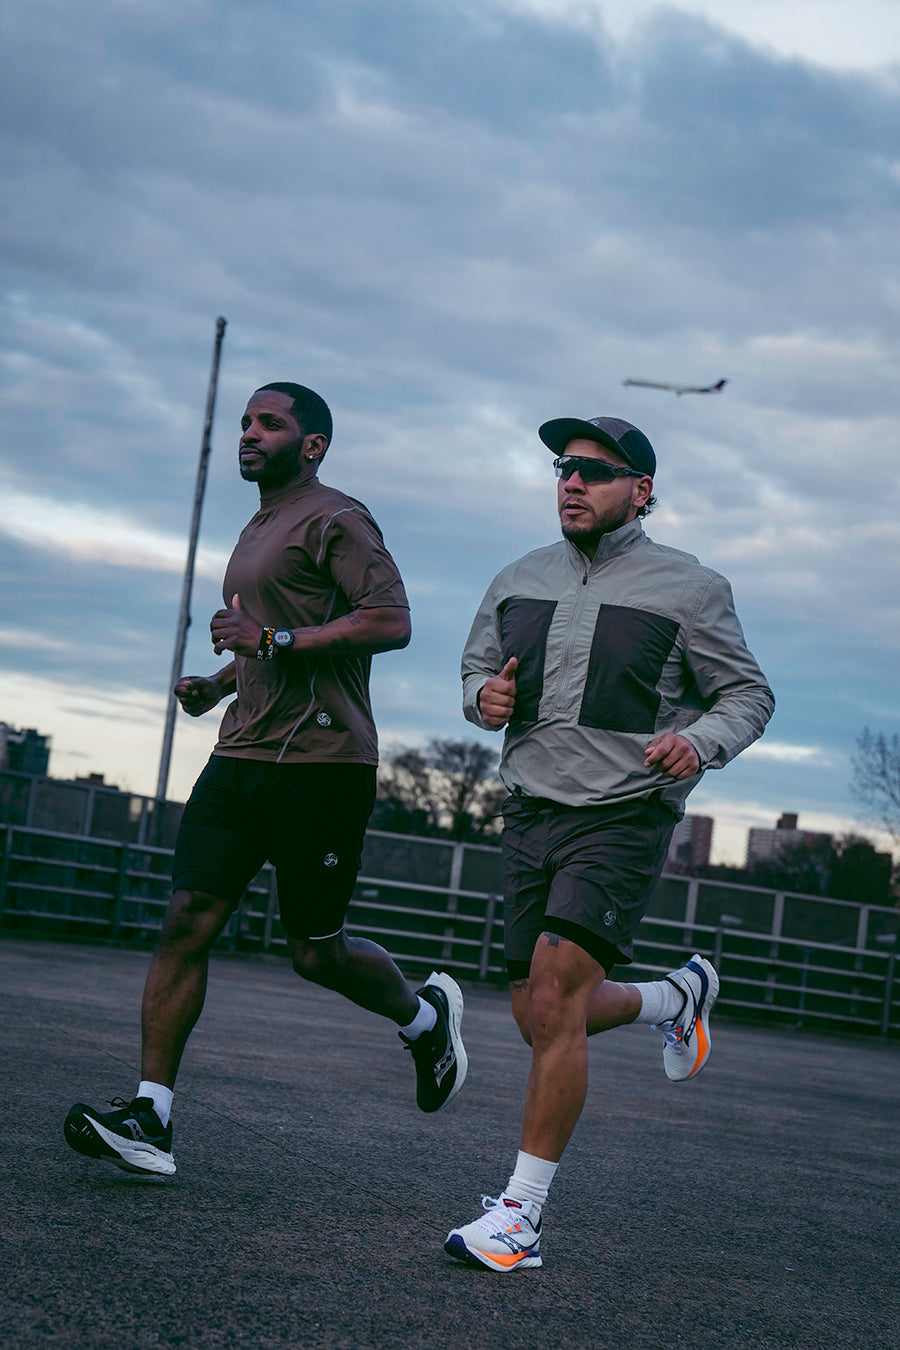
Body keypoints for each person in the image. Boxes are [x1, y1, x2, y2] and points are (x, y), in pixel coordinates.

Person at [64, 382, 467, 1176]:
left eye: (268, 424)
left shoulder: (338, 517)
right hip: (240, 755)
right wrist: (217, 684)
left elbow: (392, 621)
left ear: (311, 444)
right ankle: (152, 1118)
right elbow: (261, 644)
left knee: (315, 954)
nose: (249, 434)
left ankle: (425, 1018)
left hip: (322, 764)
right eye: (246, 422)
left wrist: (273, 636)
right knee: (186, 919)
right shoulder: (258, 525)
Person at [444, 415, 773, 1271]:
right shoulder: (518, 578)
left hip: (624, 813)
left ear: (642, 490)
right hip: (529, 809)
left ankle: (521, 1217)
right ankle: (672, 999)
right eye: (563, 467)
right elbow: (476, 668)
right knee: (537, 1015)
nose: (572, 481)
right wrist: (482, 698)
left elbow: (747, 695)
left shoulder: (690, 588)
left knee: (554, 1001)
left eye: (594, 470)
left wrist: (698, 742)